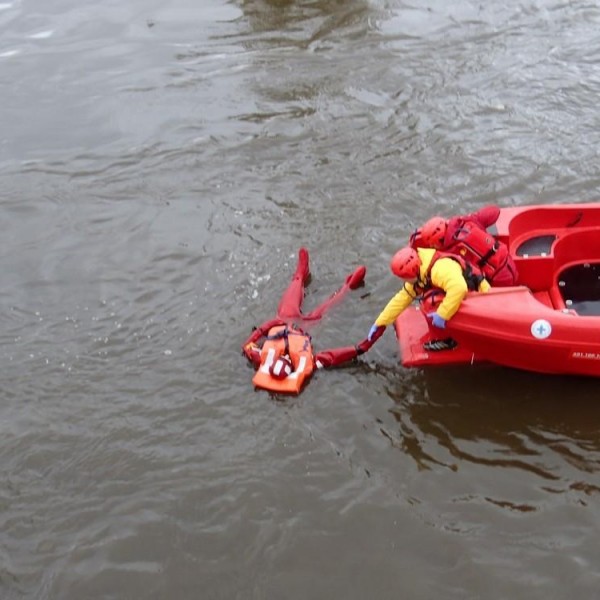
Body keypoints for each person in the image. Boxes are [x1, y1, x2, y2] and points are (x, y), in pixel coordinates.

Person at [242, 247, 373, 394]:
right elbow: (330, 358)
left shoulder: (260, 358)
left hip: (284, 318)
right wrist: (359, 348)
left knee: (296, 283)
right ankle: (348, 286)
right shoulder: (306, 365)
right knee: (330, 305)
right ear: (292, 367)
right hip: (306, 328)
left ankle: (302, 272)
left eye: (281, 357)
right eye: (287, 359)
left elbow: (247, 345)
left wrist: (267, 326)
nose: (285, 356)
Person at [363, 245, 490, 349]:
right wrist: (380, 323)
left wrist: (442, 314)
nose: (403, 281)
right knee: (432, 299)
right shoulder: (421, 271)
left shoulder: (438, 270)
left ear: (412, 272)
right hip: (468, 294)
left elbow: (459, 288)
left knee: (431, 301)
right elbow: (401, 299)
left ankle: (450, 340)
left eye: (404, 277)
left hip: (480, 296)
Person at [411, 204, 518, 287]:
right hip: (508, 262)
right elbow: (494, 211)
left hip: (498, 278)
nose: (433, 247)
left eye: (433, 245)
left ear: (439, 241)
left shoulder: (451, 253)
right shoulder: (467, 222)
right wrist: (472, 217)